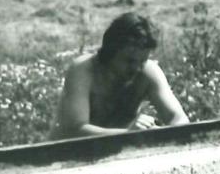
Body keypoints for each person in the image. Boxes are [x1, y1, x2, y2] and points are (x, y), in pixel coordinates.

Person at [52, 13, 190, 139]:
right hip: (67, 155)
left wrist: (160, 133)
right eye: (129, 61)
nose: (136, 68)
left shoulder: (148, 72)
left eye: (142, 61)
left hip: (122, 151)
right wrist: (129, 134)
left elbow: (180, 120)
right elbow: (75, 130)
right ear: (110, 52)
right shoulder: (83, 70)